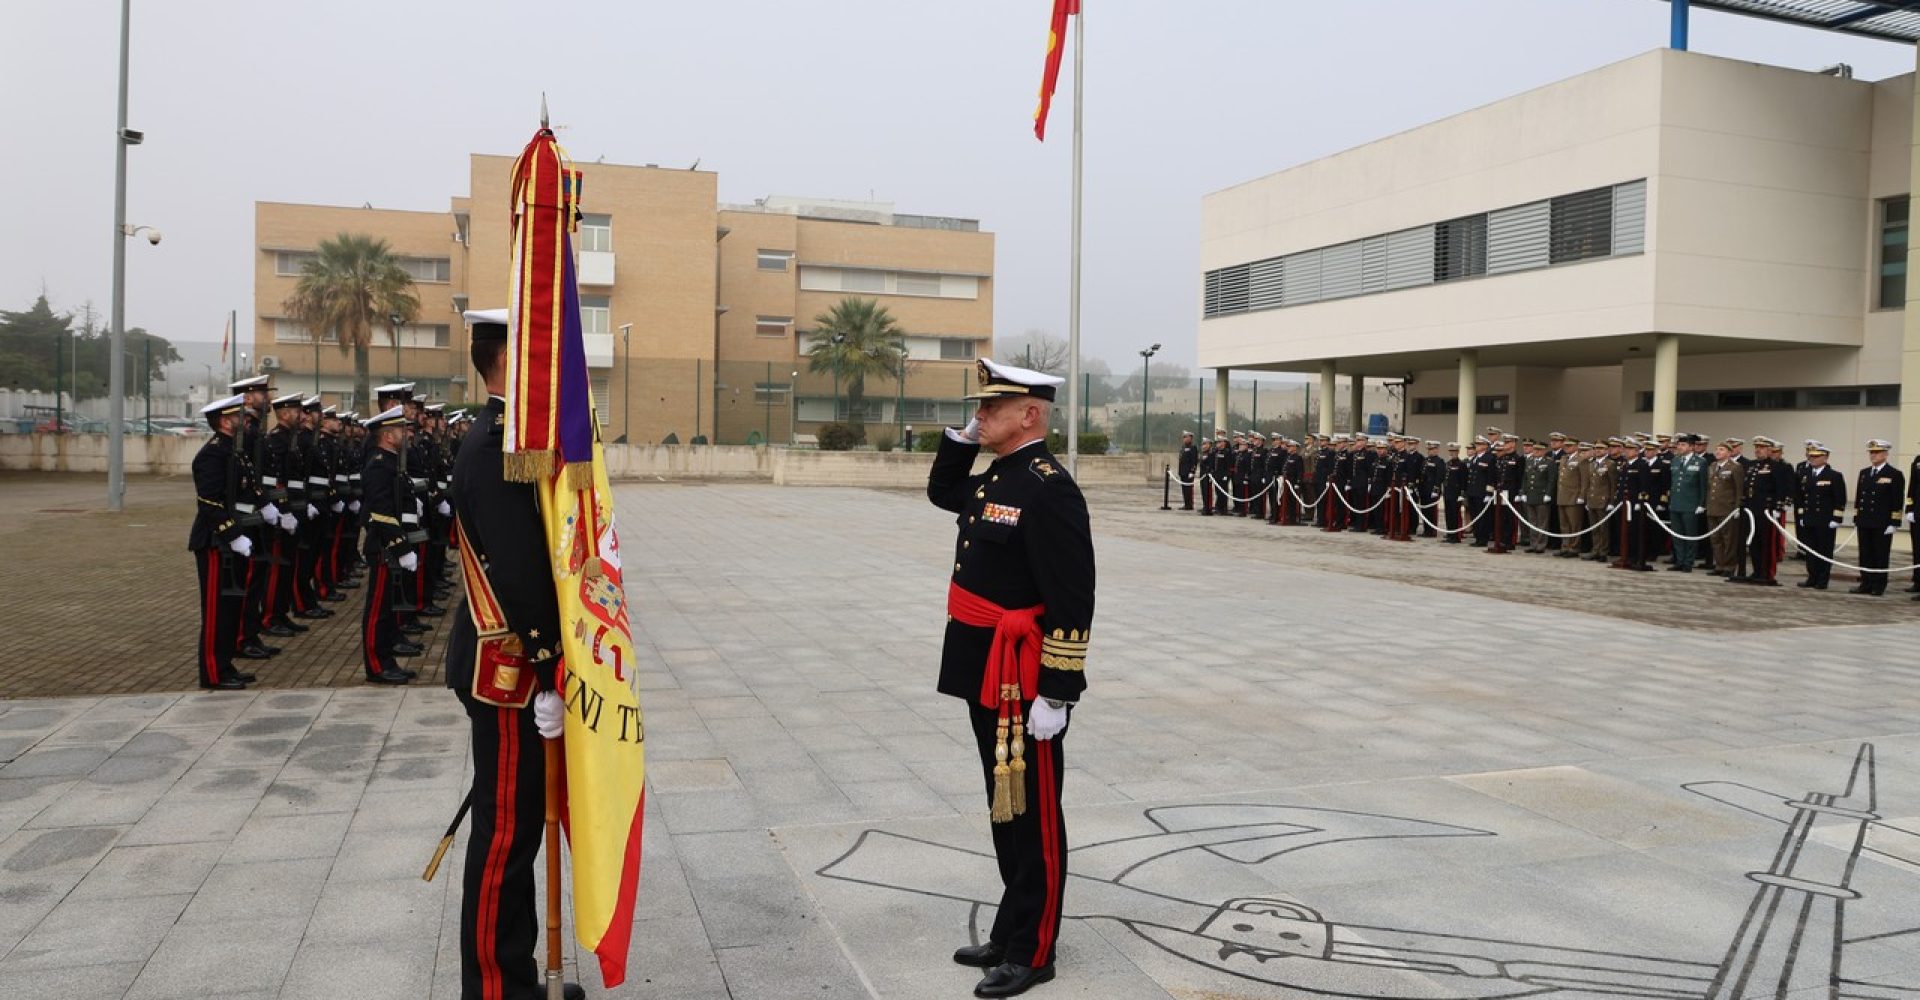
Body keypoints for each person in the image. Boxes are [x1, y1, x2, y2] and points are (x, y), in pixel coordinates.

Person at [928, 358, 1095, 999]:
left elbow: (1073, 596)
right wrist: (961, 442)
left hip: (1027, 677)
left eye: (990, 408)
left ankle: (1035, 948)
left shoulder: (1049, 487)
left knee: (1034, 815)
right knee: (1005, 807)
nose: (980, 414)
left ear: (1029, 414)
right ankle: (1010, 925)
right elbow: (946, 496)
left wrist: (1059, 689)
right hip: (983, 668)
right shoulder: (1001, 472)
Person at [443, 310, 582, 1000]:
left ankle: (519, 977)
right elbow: (521, 570)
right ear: (506, 360)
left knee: (521, 830)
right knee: (505, 837)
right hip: (509, 670)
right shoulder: (495, 444)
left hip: (517, 664)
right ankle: (496, 991)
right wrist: (552, 665)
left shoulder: (510, 438)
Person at [190, 395, 256, 691]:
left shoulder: (235, 451)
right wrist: (233, 535)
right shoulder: (212, 454)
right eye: (240, 415)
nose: (246, 419)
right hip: (216, 542)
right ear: (226, 421)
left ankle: (226, 665)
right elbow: (209, 502)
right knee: (217, 610)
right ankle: (213, 673)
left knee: (231, 607)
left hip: (233, 540)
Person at [360, 405, 420, 684]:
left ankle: (387, 660)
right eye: (400, 429)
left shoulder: (391, 461)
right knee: (378, 611)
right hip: (384, 548)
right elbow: (380, 511)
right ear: (387, 435)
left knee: (387, 609)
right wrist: (400, 546)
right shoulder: (378, 464)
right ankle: (376, 664)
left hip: (392, 547)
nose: (406, 433)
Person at [1854, 439, 1903, 596]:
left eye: (1877, 452)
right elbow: (1859, 497)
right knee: (1865, 553)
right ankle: (1866, 582)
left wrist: (1894, 521)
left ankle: (1879, 584)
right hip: (1865, 520)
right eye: (1871, 452)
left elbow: (1897, 500)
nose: (1873, 455)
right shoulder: (1864, 473)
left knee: (1880, 554)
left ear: (1885, 454)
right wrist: (1857, 517)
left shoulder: (1894, 474)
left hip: (1882, 522)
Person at [1795, 443, 1844, 590]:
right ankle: (1812, 577)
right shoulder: (1805, 475)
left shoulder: (1834, 475)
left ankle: (1823, 579)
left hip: (1825, 520)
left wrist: (1837, 518)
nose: (1813, 459)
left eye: (1816, 456)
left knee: (1824, 550)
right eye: (1811, 456)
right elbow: (1801, 497)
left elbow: (1839, 499)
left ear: (1825, 457)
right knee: (1810, 551)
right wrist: (1802, 515)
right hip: (1810, 518)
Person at [1667, 435, 1707, 573]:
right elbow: (1672, 483)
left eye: (1683, 445)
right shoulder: (1675, 461)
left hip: (1691, 504)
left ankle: (1688, 562)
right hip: (1676, 503)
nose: (1679, 447)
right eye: (1679, 445)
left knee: (1690, 535)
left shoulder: (1701, 462)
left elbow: (1703, 485)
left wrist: (1702, 503)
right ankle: (1679, 560)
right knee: (1677, 535)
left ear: (1691, 447)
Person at [1706, 439, 1745, 577]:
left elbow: (1739, 489)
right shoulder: (1712, 466)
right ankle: (1719, 564)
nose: (1718, 452)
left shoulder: (1735, 467)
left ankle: (1729, 566)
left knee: (1729, 539)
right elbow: (1710, 488)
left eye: (1722, 450)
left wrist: (1737, 508)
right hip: (1713, 508)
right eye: (1717, 449)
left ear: (1729, 453)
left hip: (1727, 509)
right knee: (1715, 539)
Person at [1176, 430, 1198, 510]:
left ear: (1191, 438)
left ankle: (1189, 505)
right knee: (1184, 489)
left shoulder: (1193, 447)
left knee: (1188, 489)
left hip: (1188, 472)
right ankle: (1186, 503)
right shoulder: (1183, 447)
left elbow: (1194, 461)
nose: (1184, 439)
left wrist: (1192, 471)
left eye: (1186, 437)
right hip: (1183, 471)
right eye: (1184, 437)